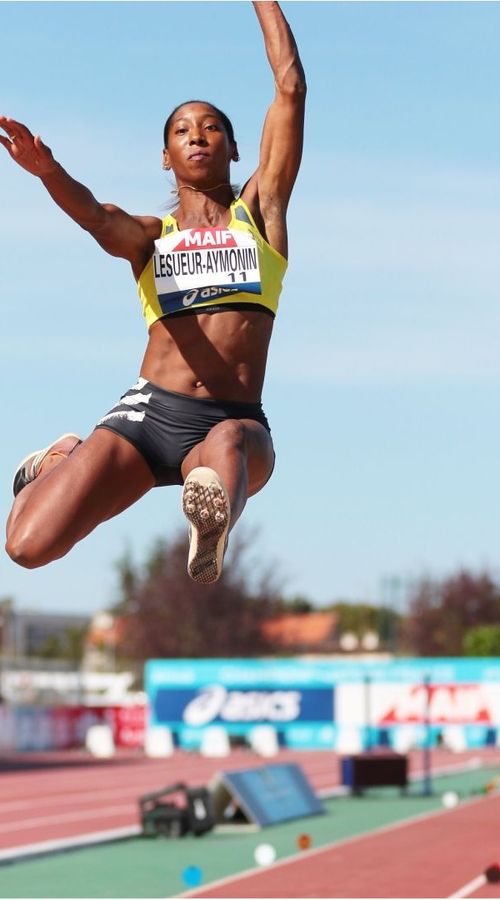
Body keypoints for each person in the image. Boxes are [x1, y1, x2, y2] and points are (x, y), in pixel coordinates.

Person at [0, 1, 305, 585]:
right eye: (182, 131)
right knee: (25, 547)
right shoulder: (150, 238)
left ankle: (208, 525)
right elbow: (94, 217)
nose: (198, 136)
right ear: (166, 157)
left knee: (226, 447)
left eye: (212, 127)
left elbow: (289, 86)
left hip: (234, 423)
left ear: (235, 149)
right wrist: (48, 172)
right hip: (149, 415)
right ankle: (62, 458)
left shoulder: (260, 215)